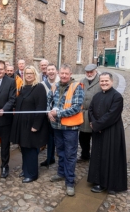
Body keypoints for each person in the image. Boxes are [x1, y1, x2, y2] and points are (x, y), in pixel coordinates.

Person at [47, 64, 84, 196]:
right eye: (61, 73)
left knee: (70, 154)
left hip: (70, 128)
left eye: (66, 74)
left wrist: (58, 113)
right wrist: (49, 113)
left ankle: (70, 181)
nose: (63, 76)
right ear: (59, 73)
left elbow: (76, 107)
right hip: (57, 127)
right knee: (60, 152)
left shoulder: (76, 87)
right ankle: (61, 173)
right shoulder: (55, 86)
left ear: (70, 74)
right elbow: (49, 102)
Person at [88, 72, 127, 194]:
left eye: (106, 81)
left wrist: (98, 125)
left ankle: (109, 183)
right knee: (97, 155)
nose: (104, 83)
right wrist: (94, 124)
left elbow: (112, 115)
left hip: (112, 132)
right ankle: (97, 180)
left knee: (109, 156)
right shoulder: (97, 96)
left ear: (112, 81)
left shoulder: (117, 97)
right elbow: (90, 110)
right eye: (102, 81)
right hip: (98, 132)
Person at [10, 65, 48, 183]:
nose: (29, 75)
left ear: (35, 74)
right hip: (22, 124)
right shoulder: (23, 87)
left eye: (31, 73)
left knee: (31, 149)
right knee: (24, 148)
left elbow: (41, 107)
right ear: (24, 75)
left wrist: (36, 125)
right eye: (27, 73)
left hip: (32, 124)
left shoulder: (39, 87)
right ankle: (25, 169)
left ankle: (32, 174)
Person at [78, 64, 101, 162]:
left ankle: (97, 156)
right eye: (87, 72)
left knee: (96, 137)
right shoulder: (82, 81)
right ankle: (85, 155)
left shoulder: (101, 81)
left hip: (96, 114)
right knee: (83, 137)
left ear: (95, 71)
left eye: (91, 72)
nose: (89, 74)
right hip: (83, 114)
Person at [40, 63, 60, 167]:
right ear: (46, 72)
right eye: (49, 70)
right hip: (48, 116)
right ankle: (50, 158)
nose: (51, 72)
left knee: (60, 139)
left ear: (56, 71)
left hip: (60, 115)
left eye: (53, 69)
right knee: (50, 137)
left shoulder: (61, 82)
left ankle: (62, 162)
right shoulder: (43, 84)